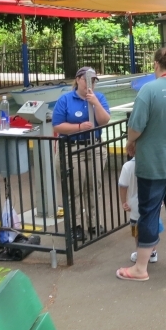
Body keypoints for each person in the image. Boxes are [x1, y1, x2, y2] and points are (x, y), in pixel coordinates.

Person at [116, 46, 166, 281]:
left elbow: (136, 126)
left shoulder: (148, 91)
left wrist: (131, 142)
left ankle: (141, 268)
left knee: (149, 212)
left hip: (153, 164)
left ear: (156, 64)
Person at [52, 66, 111, 242]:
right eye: (86, 79)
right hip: (73, 149)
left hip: (94, 147)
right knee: (74, 188)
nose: (89, 84)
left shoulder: (99, 98)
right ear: (78, 80)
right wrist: (78, 128)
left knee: (94, 186)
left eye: (93, 80)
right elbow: (57, 125)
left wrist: (95, 103)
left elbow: (104, 120)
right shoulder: (65, 99)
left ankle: (94, 222)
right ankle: (75, 226)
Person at [118, 156, 159, 264]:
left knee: (136, 230)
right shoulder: (153, 162)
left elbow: (123, 186)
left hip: (134, 204)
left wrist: (124, 202)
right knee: (152, 225)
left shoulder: (127, 166)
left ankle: (140, 252)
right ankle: (153, 251)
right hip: (153, 201)